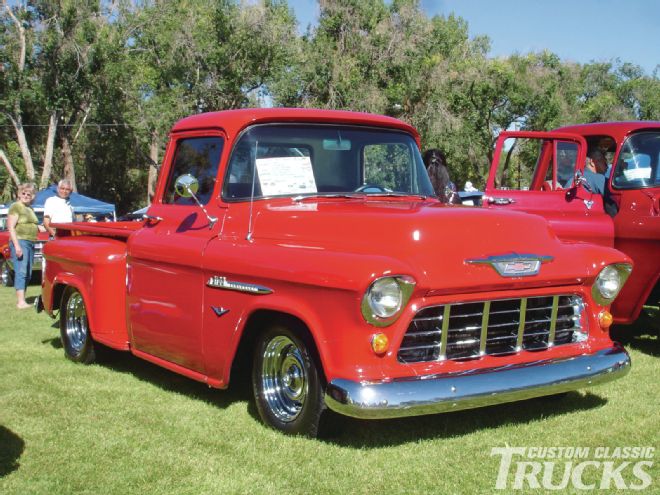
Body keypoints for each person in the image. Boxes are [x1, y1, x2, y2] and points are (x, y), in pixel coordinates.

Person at [7, 182, 42, 309]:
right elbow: (10, 227)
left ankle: (23, 299)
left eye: (29, 194)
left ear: (33, 196)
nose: (26, 195)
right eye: (24, 193)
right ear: (19, 194)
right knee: (21, 271)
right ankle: (20, 302)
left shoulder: (30, 209)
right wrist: (17, 246)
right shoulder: (16, 206)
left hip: (31, 242)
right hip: (20, 241)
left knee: (28, 272)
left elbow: (36, 226)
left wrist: (51, 226)